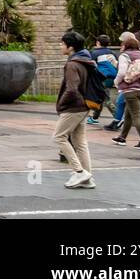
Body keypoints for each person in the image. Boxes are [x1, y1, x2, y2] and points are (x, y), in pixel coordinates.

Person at [54, 30, 98, 189]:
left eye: (62, 43)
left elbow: (71, 89)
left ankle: (79, 172)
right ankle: (87, 178)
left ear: (70, 47)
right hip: (84, 106)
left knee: (59, 137)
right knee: (80, 142)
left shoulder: (72, 64)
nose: (60, 46)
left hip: (73, 107)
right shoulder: (85, 60)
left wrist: (61, 104)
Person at [112, 32, 140, 147]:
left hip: (129, 89)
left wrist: (116, 82)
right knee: (128, 114)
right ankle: (122, 137)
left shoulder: (125, 55)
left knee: (136, 115)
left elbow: (122, 72)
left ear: (126, 45)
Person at [87, 34, 118, 124]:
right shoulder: (112, 53)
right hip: (111, 78)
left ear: (98, 43)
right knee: (101, 96)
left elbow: (91, 66)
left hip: (100, 78)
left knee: (105, 98)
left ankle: (118, 117)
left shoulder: (94, 53)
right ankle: (95, 117)